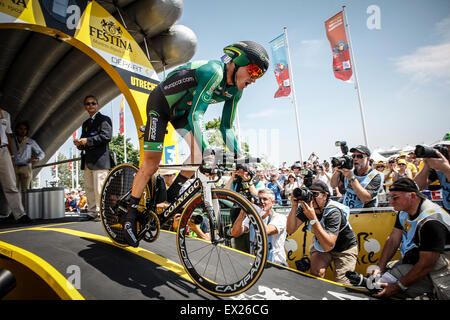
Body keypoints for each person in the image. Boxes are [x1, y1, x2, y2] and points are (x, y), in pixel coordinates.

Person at [122, 41, 270, 247]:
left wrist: (240, 158)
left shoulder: (236, 91)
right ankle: (129, 217)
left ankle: (172, 196)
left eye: (260, 75)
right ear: (237, 62)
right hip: (161, 106)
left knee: (199, 154)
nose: (254, 78)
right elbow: (197, 114)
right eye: (254, 70)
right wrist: (209, 151)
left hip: (181, 113)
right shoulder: (213, 72)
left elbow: (226, 128)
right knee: (151, 164)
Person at [367, 178, 450, 299]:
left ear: (412, 196)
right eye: (390, 197)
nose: (390, 201)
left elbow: (426, 264)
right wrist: (380, 267)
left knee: (387, 288)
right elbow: (393, 239)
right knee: (378, 281)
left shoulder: (431, 222)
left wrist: (398, 287)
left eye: (395, 197)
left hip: (440, 271)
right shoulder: (404, 211)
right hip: (418, 260)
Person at [286, 180, 358, 285]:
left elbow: (328, 245)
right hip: (322, 244)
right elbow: (290, 230)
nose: (311, 198)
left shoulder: (333, 211)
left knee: (342, 283)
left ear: (325, 195)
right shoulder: (307, 208)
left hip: (344, 248)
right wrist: (294, 206)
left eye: (315, 194)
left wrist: (313, 218)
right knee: (316, 273)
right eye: (310, 194)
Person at [74, 95, 113, 221]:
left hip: (100, 160)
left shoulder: (104, 119)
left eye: (93, 103)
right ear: (85, 107)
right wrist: (79, 144)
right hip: (88, 160)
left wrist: (87, 141)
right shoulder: (85, 123)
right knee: (89, 187)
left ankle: (102, 213)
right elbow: (84, 141)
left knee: (99, 188)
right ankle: (91, 212)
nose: (90, 105)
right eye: (88, 104)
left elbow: (106, 137)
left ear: (97, 105)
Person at [231, 188, 288, 266]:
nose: (261, 202)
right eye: (259, 199)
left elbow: (265, 231)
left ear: (273, 202)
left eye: (265, 199)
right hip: (256, 265)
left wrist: (257, 212)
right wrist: (242, 212)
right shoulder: (252, 217)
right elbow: (235, 233)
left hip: (275, 264)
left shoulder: (279, 217)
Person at [0, 100, 32, 223]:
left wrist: (11, 155)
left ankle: (20, 214)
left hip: (3, 150)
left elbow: (8, 135)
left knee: (10, 184)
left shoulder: (5, 115)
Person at [414, 132, 450, 212]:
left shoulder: (444, 167)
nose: (447, 151)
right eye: (445, 147)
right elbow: (417, 186)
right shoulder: (441, 166)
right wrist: (427, 164)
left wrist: (446, 169)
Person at [12, 121, 45, 204]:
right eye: (21, 129)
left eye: (25, 129)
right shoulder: (11, 141)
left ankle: (25, 211)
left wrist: (36, 159)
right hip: (14, 167)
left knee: (25, 190)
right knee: (13, 190)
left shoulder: (30, 141)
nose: (23, 131)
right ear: (17, 130)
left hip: (26, 167)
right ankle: (15, 212)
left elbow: (42, 153)